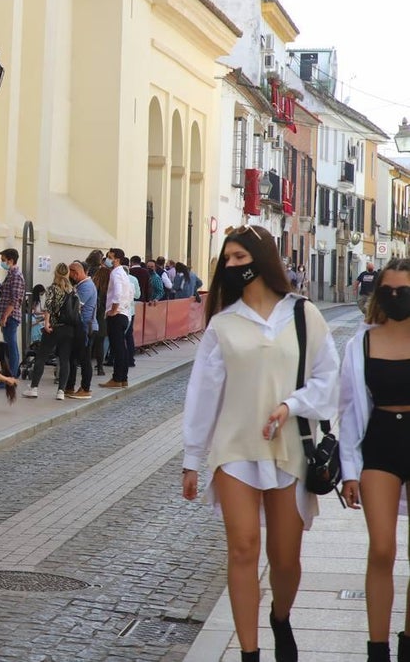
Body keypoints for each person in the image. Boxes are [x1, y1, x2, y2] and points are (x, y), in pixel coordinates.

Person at [182, 225, 339, 662]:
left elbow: (330, 377)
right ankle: (249, 653)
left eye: (239, 258)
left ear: (261, 258)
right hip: (234, 450)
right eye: (226, 260)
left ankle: (281, 616)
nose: (232, 266)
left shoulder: (304, 314)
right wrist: (192, 459)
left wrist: (292, 404)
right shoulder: (222, 324)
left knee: (285, 559)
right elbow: (203, 393)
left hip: (290, 450)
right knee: (243, 547)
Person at [339, 258, 410, 662]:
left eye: (404, 291)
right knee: (381, 548)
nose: (396, 297)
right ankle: (377, 649)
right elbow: (350, 409)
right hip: (380, 443)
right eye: (389, 291)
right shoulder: (360, 343)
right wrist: (349, 471)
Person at [26, 262, 77, 400]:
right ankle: (61, 391)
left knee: (42, 357)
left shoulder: (52, 288)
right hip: (68, 328)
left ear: (55, 273)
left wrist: (47, 323)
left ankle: (34, 388)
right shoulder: (72, 290)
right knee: (65, 359)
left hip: (54, 327)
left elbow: (48, 307)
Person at [101, 248, 134, 388]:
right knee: (122, 348)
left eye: (110, 257)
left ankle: (117, 378)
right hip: (124, 313)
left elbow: (118, 293)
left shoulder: (116, 273)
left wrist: (113, 310)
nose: (108, 259)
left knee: (117, 347)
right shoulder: (124, 273)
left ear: (117, 259)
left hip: (117, 314)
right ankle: (123, 378)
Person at [64, 261, 97, 399]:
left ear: (76, 273)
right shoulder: (81, 285)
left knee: (84, 359)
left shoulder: (87, 287)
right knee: (73, 358)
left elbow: (75, 306)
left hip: (86, 328)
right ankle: (69, 386)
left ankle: (85, 388)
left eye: (70, 274)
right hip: (80, 327)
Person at [0, 248, 26, 383]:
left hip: (11, 317)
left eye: (3, 260)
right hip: (8, 317)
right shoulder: (11, 274)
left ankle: (11, 376)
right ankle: (11, 373)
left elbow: (15, 300)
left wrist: (4, 317)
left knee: (11, 347)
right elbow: (2, 291)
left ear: (11, 260)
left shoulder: (16, 276)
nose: (2, 263)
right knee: (9, 347)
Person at [90, 266, 110, 377]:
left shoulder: (93, 286)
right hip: (103, 318)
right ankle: (100, 367)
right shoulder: (109, 288)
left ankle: (86, 365)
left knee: (89, 343)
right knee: (100, 344)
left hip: (92, 316)